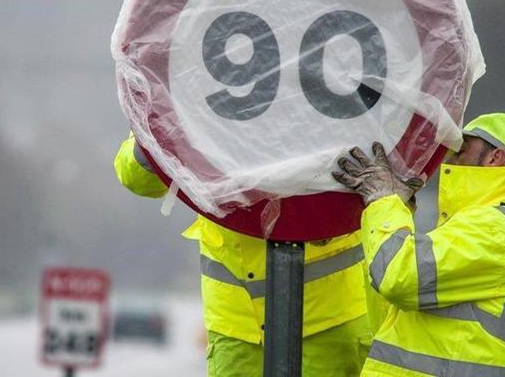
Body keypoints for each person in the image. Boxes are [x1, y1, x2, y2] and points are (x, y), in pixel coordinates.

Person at [114, 133, 372, 377]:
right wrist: (154, 135)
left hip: (331, 318)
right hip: (236, 326)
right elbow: (138, 179)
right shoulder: (186, 91)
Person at [332, 112, 505, 376]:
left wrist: (384, 201)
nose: (449, 160)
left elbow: (397, 277)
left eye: (462, 150)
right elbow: (389, 316)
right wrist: (399, 208)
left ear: (494, 157)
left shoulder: (496, 228)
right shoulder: (480, 224)